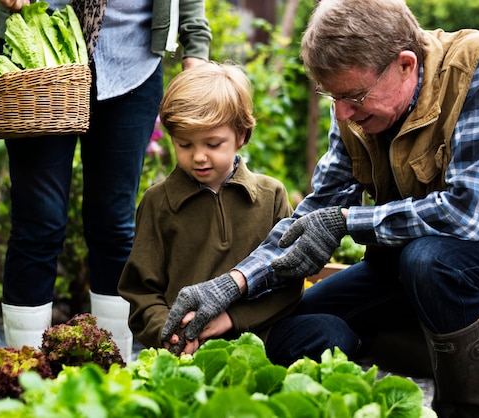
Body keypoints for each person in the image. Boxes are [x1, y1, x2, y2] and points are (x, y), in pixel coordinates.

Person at [161, 0, 479, 416]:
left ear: (405, 65)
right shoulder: (355, 111)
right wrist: (233, 285)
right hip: (413, 263)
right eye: (333, 97)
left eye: (354, 96)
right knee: (304, 317)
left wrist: (346, 221)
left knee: (429, 260)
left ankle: (470, 405)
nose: (343, 114)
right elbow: (315, 213)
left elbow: (466, 213)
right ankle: (461, 364)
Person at [0, 0, 211, 364]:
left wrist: (197, 50)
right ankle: (24, 377)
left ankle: (111, 373)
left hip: (133, 60)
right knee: (38, 223)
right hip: (38, 53)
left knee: (114, 224)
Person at [117, 62, 357, 360]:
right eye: (185, 144)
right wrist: (173, 335)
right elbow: (142, 292)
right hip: (191, 347)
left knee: (332, 332)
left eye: (213, 144)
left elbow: (289, 282)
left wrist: (231, 320)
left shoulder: (271, 195)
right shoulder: (157, 203)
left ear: (241, 136)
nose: (199, 156)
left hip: (263, 338)